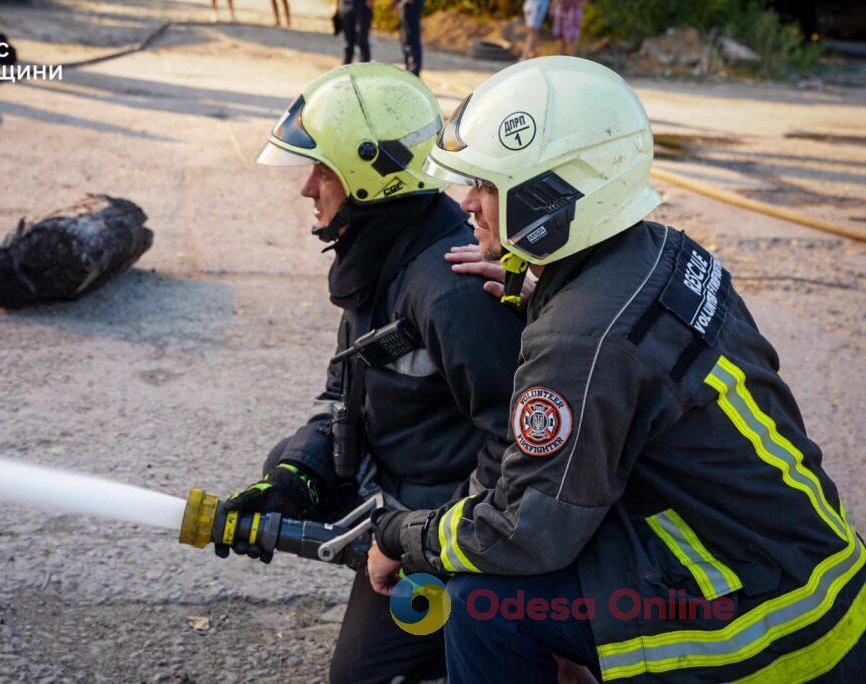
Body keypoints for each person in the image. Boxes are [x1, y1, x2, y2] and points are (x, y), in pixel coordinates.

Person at [368, 56, 866, 682]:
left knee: (483, 602)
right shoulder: (667, 251)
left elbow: (525, 533)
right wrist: (542, 291)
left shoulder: (580, 340)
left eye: (488, 185)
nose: (467, 201)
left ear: (549, 194)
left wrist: (401, 536)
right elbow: (632, 346)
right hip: (812, 567)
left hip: (766, 624)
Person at [220, 63, 525, 683]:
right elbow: (345, 389)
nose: (309, 188)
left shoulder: (448, 290)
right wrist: (297, 475)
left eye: (323, 170)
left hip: (448, 525)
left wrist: (415, 540)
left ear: (367, 179)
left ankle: (485, 633)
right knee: (280, 459)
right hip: (401, 497)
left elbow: (521, 453)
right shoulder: (382, 252)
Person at [336, 0, 372, 65]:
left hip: (362, 6)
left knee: (362, 40)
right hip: (346, 6)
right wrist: (337, 7)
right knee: (348, 42)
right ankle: (346, 67)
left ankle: (365, 68)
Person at [397, 0, 423, 76]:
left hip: (411, 5)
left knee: (412, 43)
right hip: (406, 6)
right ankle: (409, 74)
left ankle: (413, 75)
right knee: (406, 42)